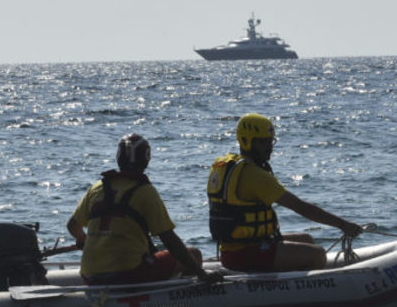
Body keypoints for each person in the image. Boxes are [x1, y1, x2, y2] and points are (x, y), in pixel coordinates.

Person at [208, 113, 363, 272]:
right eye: (263, 142)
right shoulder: (254, 175)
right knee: (317, 255)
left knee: (307, 239)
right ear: (246, 141)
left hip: (233, 249)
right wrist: (343, 225)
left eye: (270, 141)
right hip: (245, 254)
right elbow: (300, 207)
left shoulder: (227, 167)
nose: (269, 147)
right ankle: (299, 293)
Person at [68, 133, 213, 285]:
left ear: (119, 157)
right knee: (193, 255)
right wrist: (200, 273)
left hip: (89, 273)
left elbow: (72, 226)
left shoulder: (97, 188)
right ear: (146, 160)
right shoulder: (145, 191)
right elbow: (168, 238)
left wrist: (84, 241)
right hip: (129, 273)